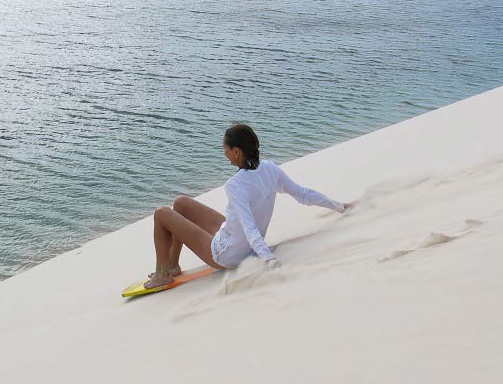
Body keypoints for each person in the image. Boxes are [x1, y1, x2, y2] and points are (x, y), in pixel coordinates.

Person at [144, 123, 349, 289]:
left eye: (225, 149)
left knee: (161, 214)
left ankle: (162, 275)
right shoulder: (270, 168)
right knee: (181, 203)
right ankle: (172, 266)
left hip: (227, 254)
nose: (224, 153)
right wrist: (339, 206)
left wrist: (268, 259)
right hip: (239, 239)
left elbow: (249, 226)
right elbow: (304, 194)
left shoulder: (235, 185)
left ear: (236, 152)